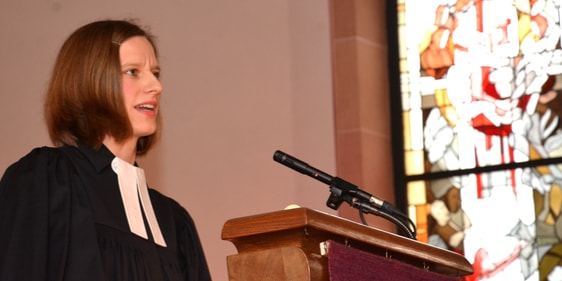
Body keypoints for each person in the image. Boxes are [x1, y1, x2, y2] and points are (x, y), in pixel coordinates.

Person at [0, 19, 212, 281]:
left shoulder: (175, 221)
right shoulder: (45, 180)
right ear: (90, 81)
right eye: (133, 71)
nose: (156, 87)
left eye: (155, 73)